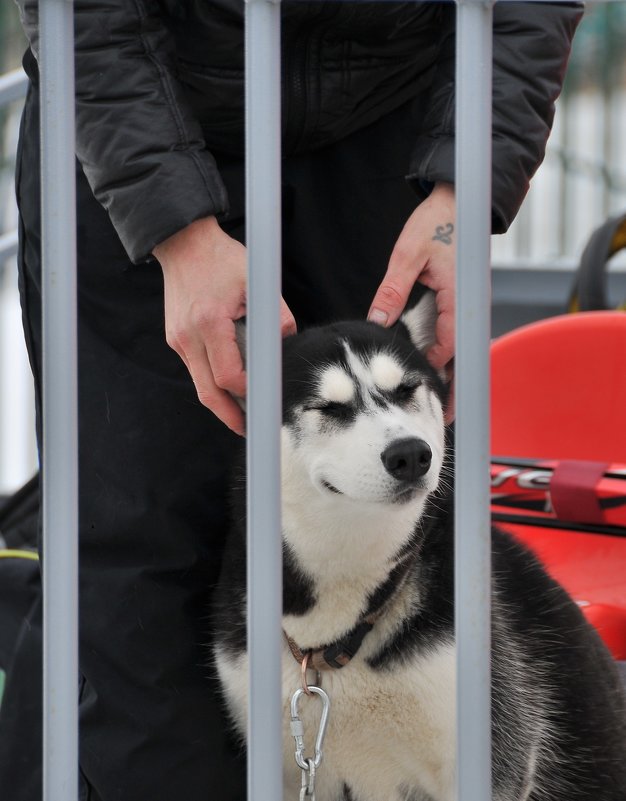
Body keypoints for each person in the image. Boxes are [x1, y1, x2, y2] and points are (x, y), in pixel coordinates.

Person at [5, 1, 581, 799]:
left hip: (396, 122)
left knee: (399, 537)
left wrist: (467, 180)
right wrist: (170, 221)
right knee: (135, 555)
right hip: (137, 111)